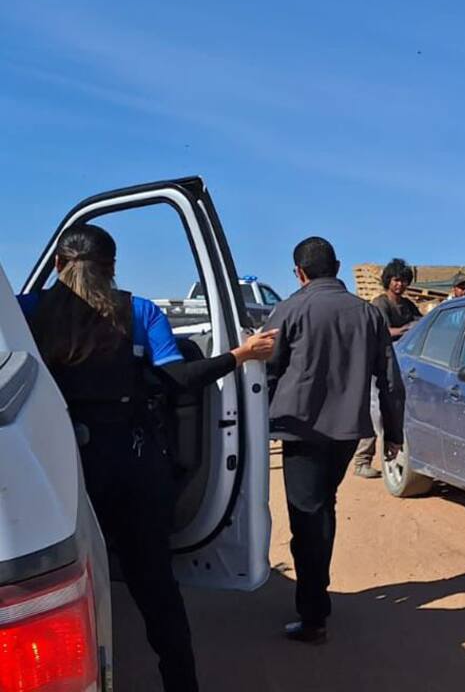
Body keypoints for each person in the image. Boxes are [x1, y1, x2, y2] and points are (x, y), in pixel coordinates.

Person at [18, 224, 277, 691]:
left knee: (58, 584)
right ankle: (181, 683)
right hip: (133, 466)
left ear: (57, 266)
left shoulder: (26, 311)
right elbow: (177, 379)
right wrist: (238, 356)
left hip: (56, 462)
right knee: (156, 588)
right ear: (113, 270)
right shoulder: (139, 312)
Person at [265, 237, 405, 644]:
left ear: (299, 272)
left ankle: (313, 614)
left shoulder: (288, 309)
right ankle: (316, 598)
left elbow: (265, 375)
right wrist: (393, 434)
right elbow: (390, 381)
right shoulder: (368, 314)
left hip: (301, 432)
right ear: (338, 266)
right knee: (323, 508)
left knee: (308, 520)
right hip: (347, 433)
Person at [354, 258, 422, 479]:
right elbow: (384, 332)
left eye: (403, 281)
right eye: (396, 280)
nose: (400, 285)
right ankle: (362, 460)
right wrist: (406, 329)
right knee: (376, 413)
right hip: (379, 365)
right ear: (388, 281)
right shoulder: (380, 304)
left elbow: (421, 325)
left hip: (401, 363)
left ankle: (392, 456)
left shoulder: (408, 305)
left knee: (396, 411)